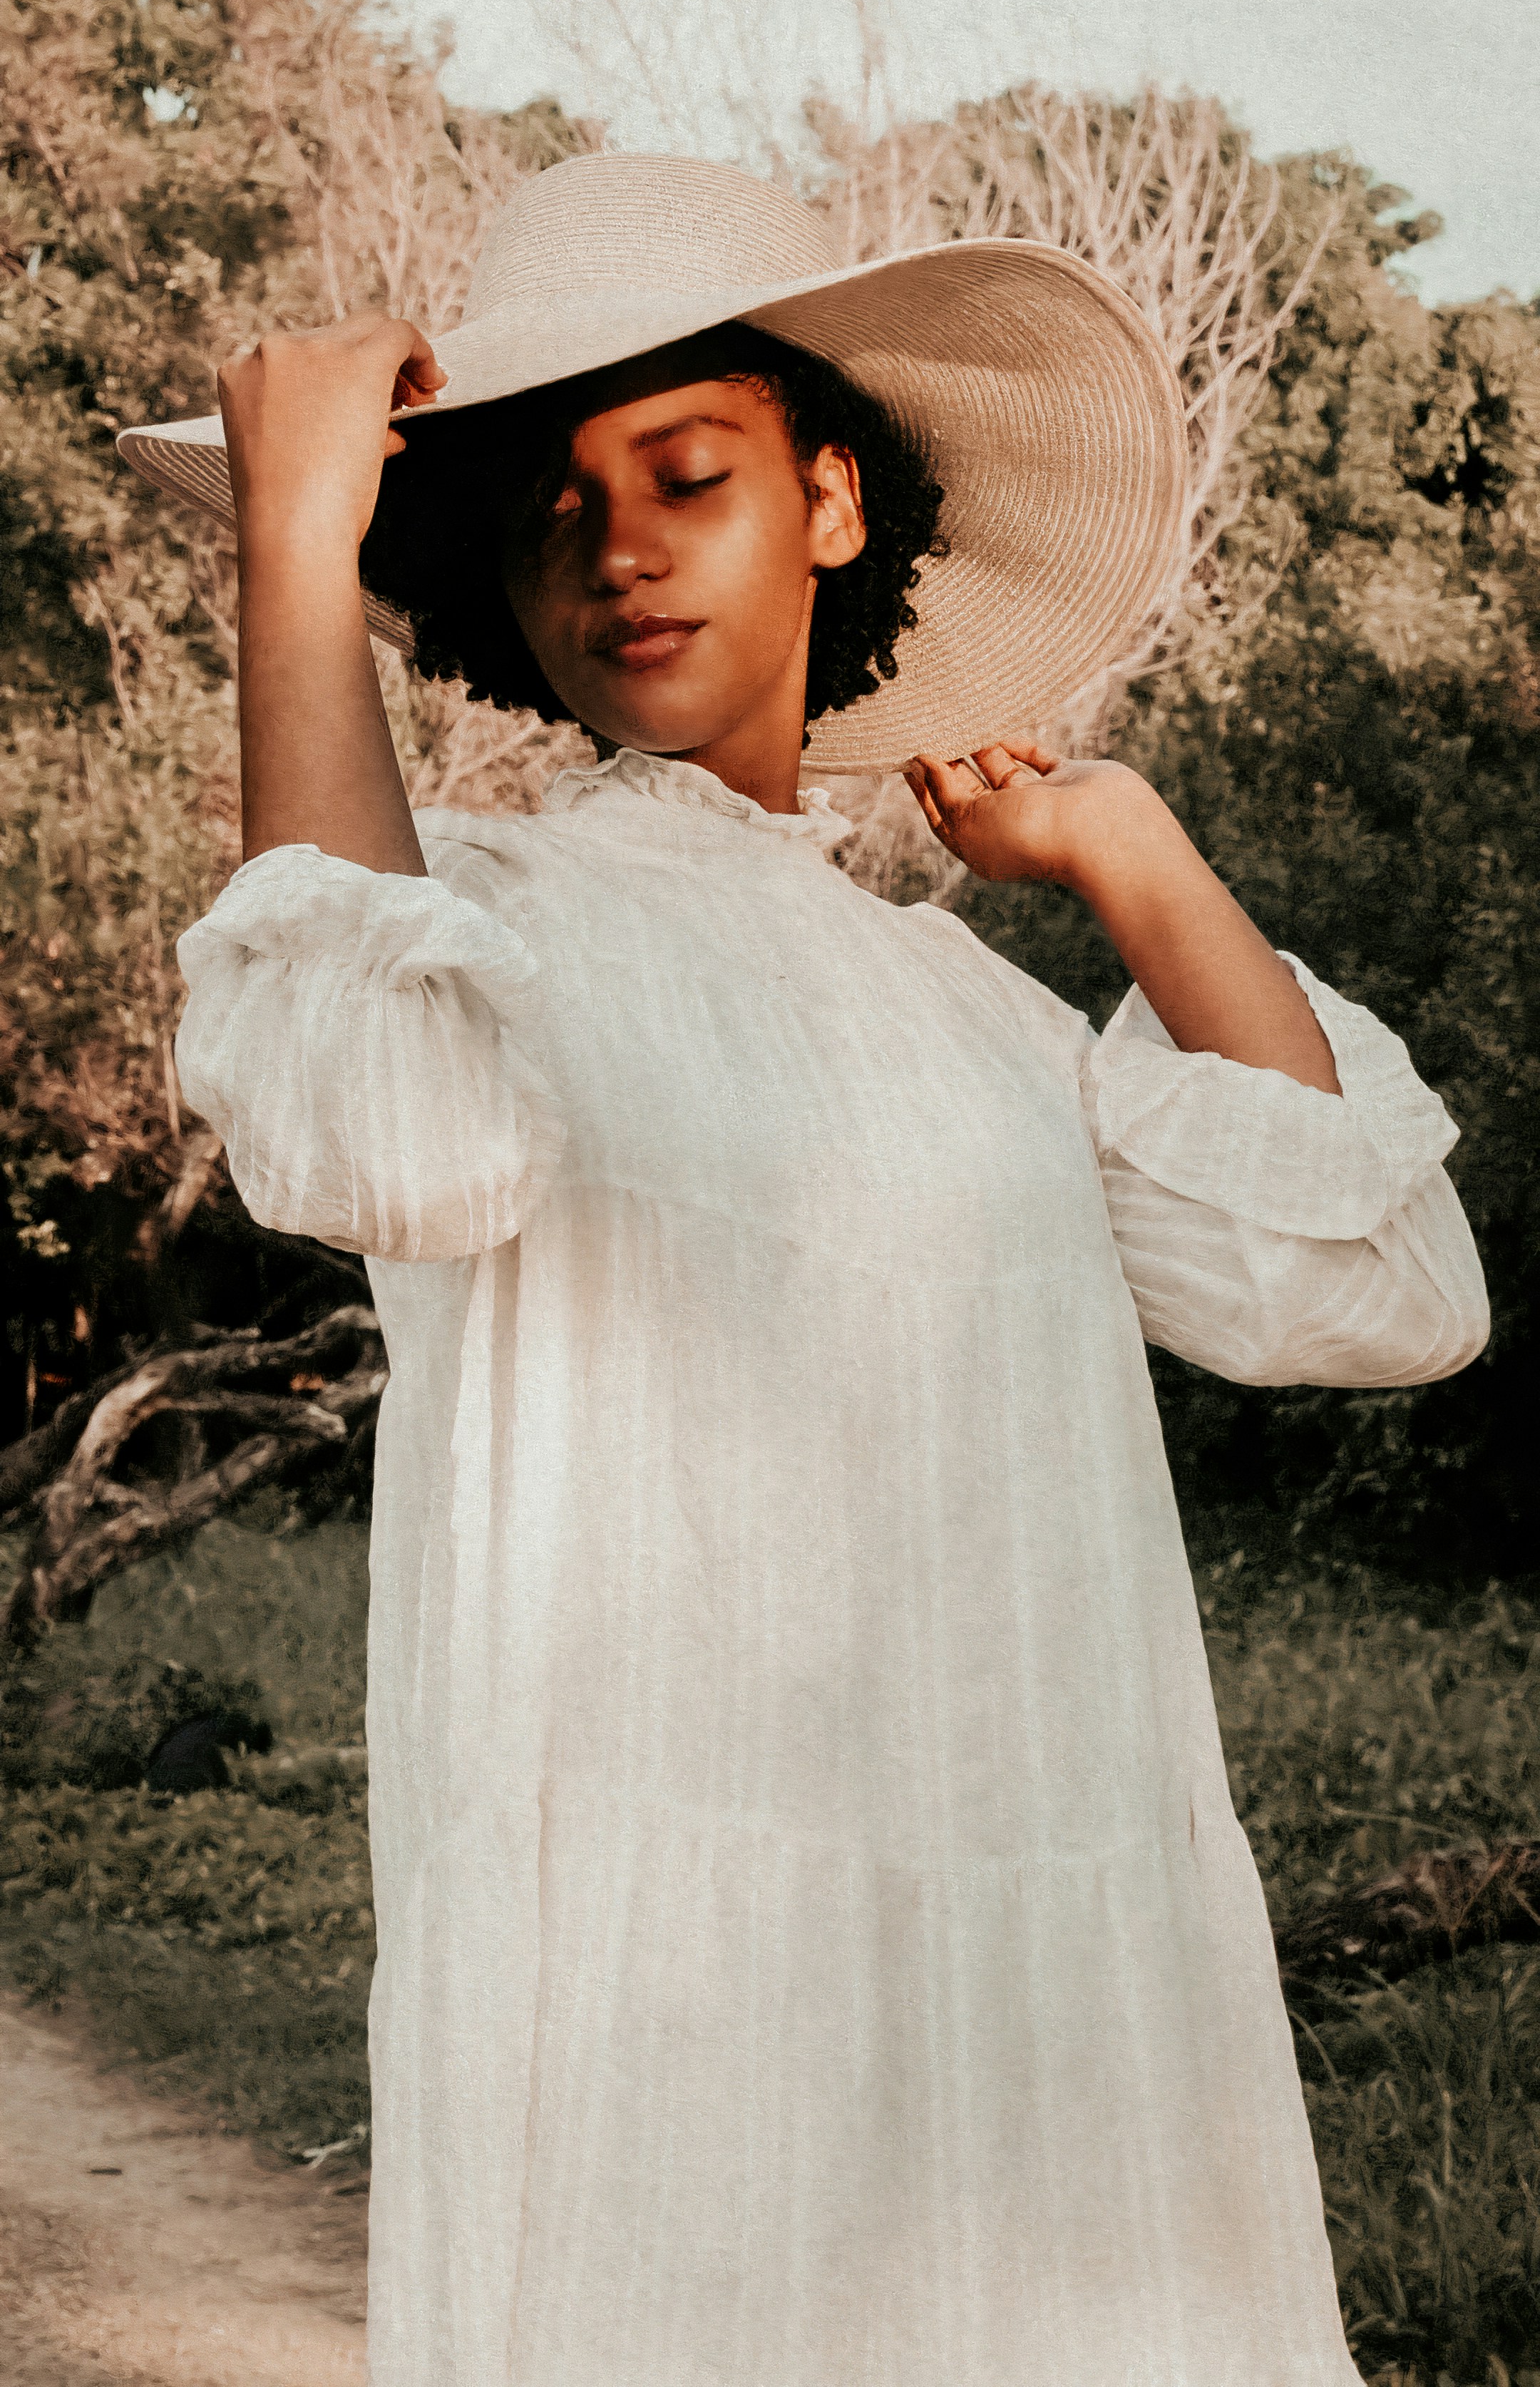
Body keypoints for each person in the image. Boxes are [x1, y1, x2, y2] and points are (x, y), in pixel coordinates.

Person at [118, 153, 1487, 2387]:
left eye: (689, 471)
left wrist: (1124, 850)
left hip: (1048, 2046)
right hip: (672, 2044)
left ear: (833, 503)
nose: (621, 545)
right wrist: (294, 542)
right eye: (548, 505)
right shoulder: (463, 920)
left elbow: (1382, 1278)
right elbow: (386, 1124)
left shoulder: (970, 1018)